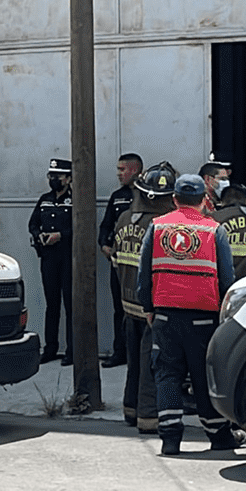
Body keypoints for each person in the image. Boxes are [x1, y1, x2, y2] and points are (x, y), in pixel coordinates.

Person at [137, 173, 243, 456]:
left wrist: (148, 307)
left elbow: (143, 273)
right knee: (203, 376)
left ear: (174, 199)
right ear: (204, 200)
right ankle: (219, 436)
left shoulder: (157, 227)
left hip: (166, 315)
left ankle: (170, 439)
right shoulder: (214, 230)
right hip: (204, 318)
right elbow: (226, 278)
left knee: (167, 376)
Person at [112, 161, 176, 433]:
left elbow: (116, 260)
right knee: (153, 366)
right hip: (153, 308)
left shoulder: (125, 218)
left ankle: (131, 409)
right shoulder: (161, 226)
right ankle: (149, 418)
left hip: (129, 306)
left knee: (133, 364)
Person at [98, 152, 143, 369]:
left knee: (143, 310)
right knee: (120, 309)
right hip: (119, 264)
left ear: (134, 170)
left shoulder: (147, 196)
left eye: (122, 170)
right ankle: (120, 352)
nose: (118, 174)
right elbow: (106, 226)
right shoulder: (117, 197)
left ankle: (141, 354)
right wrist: (104, 245)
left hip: (141, 266)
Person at [29, 158, 74, 366]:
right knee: (52, 304)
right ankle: (50, 348)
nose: (54, 180)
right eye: (51, 176)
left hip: (68, 257)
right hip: (48, 258)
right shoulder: (44, 199)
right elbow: (33, 223)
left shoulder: (74, 200)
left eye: (58, 176)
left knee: (71, 305)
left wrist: (61, 235)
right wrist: (38, 234)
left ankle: (73, 350)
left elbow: (81, 227)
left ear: (68, 178)